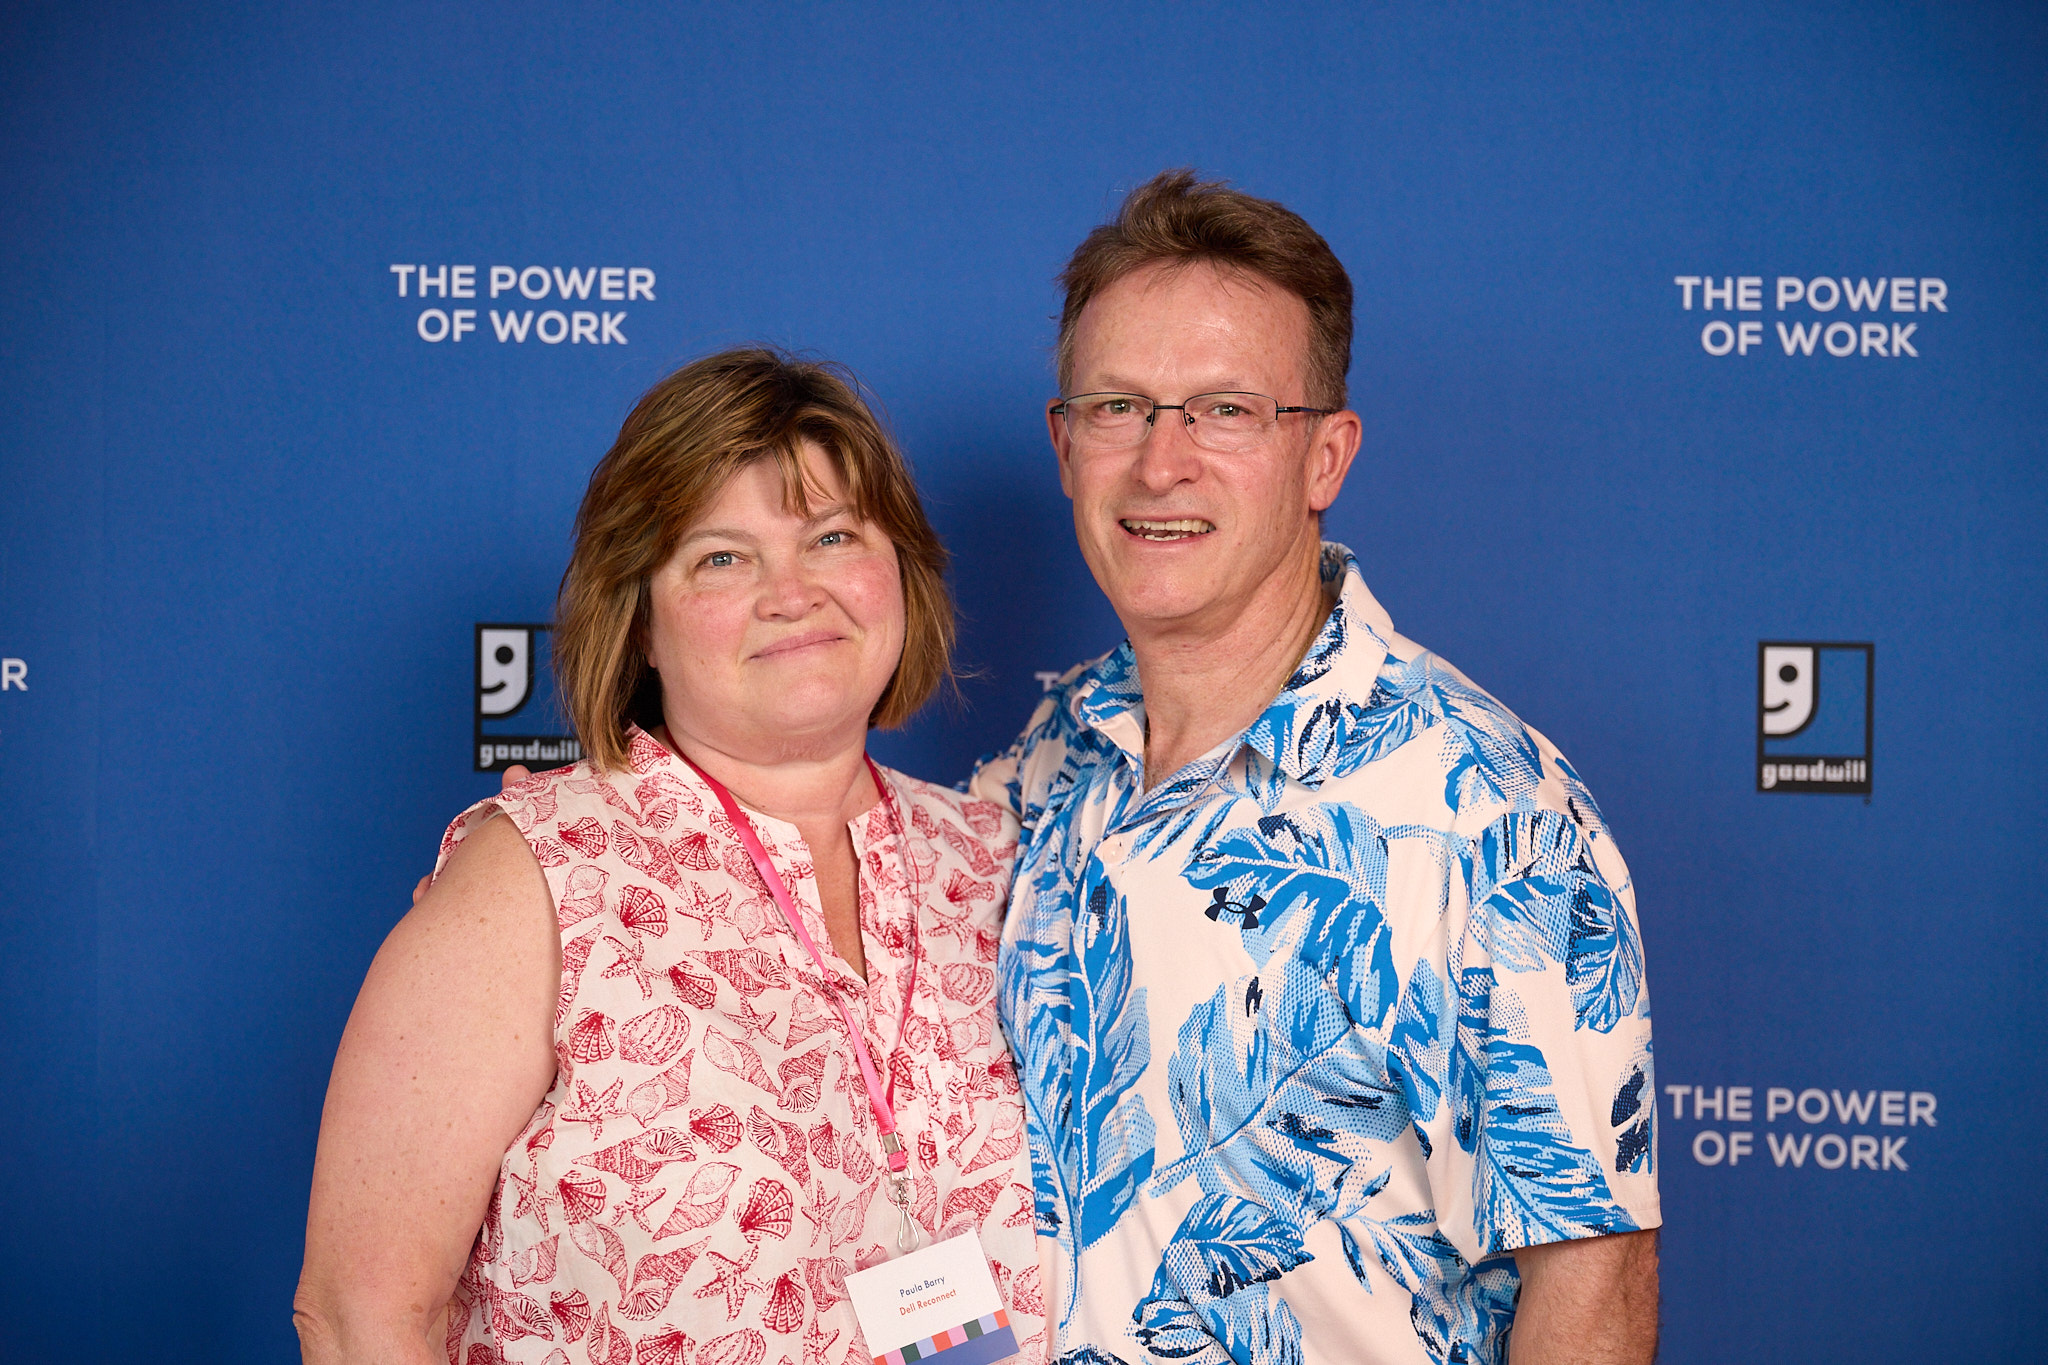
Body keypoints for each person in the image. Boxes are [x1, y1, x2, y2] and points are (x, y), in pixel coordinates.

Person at [971, 171, 1660, 1365]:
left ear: (1323, 459)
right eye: (1117, 407)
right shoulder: (1045, 761)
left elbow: (1590, 1281)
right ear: (1063, 445)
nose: (1160, 462)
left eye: (1224, 410)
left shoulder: (1489, 815)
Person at [295, 349, 1045, 1365]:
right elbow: (360, 1315)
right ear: (640, 622)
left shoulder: (1000, 863)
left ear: (900, 572)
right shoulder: (540, 874)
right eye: (722, 559)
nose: (792, 593)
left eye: (832, 537)